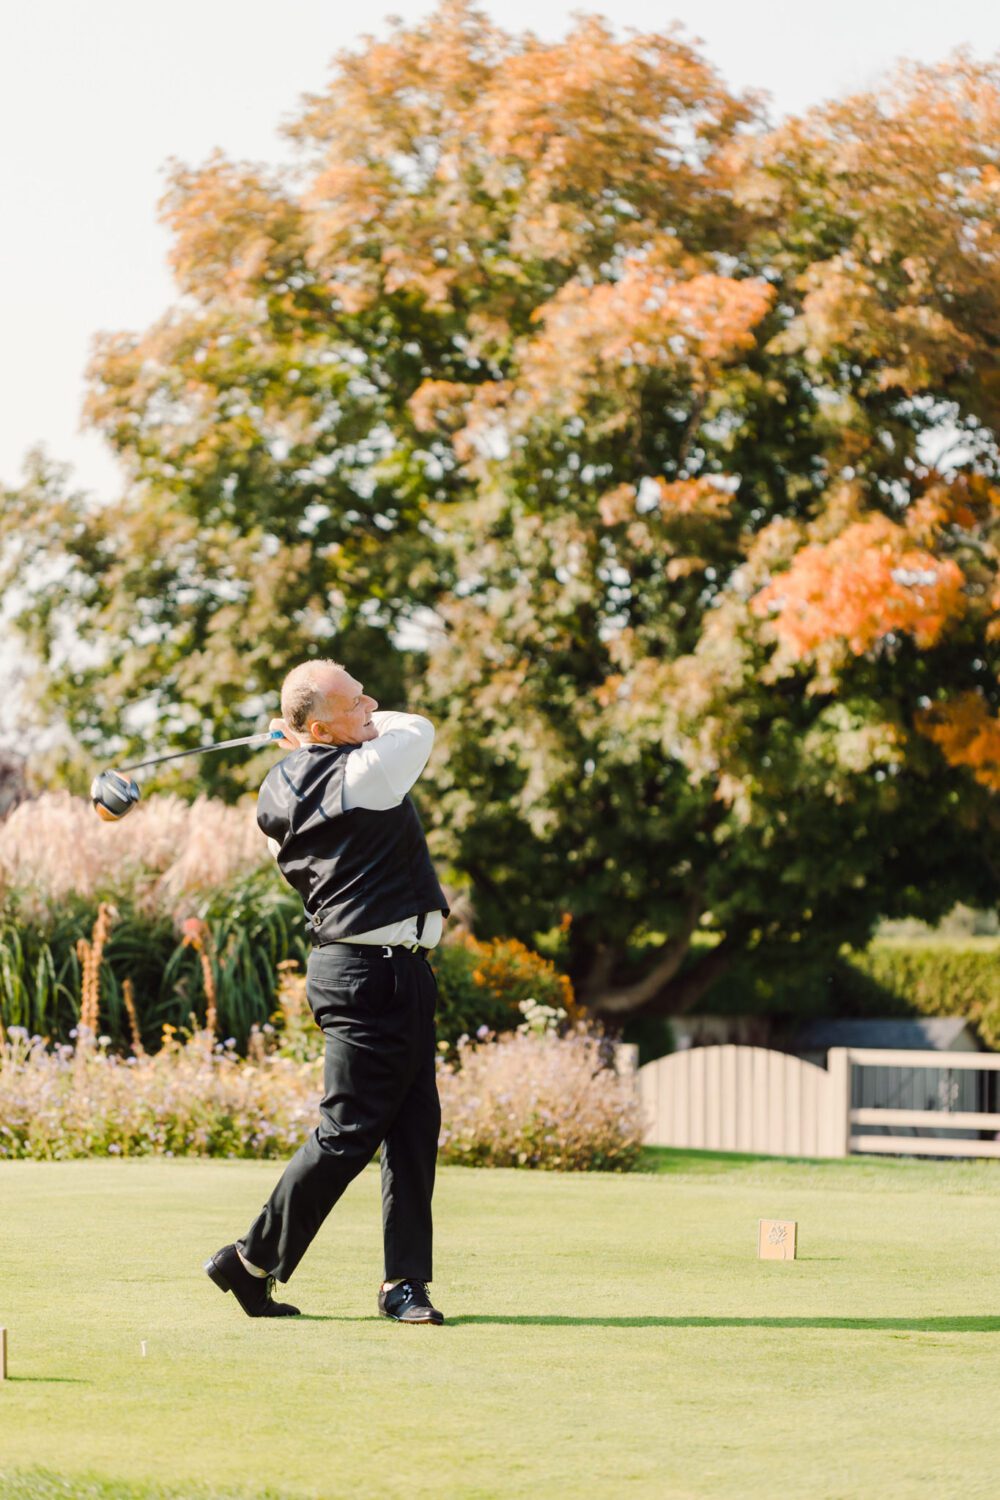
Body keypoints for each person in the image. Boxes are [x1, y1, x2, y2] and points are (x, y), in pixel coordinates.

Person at [204, 659, 450, 1325]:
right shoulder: (366, 771)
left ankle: (404, 1283)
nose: (371, 705)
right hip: (370, 973)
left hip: (391, 971)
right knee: (349, 1131)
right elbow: (417, 728)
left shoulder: (282, 786)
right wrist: (325, 736)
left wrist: (310, 739)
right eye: (355, 702)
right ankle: (250, 1259)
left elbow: (332, 757)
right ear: (318, 728)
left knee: (413, 1127)